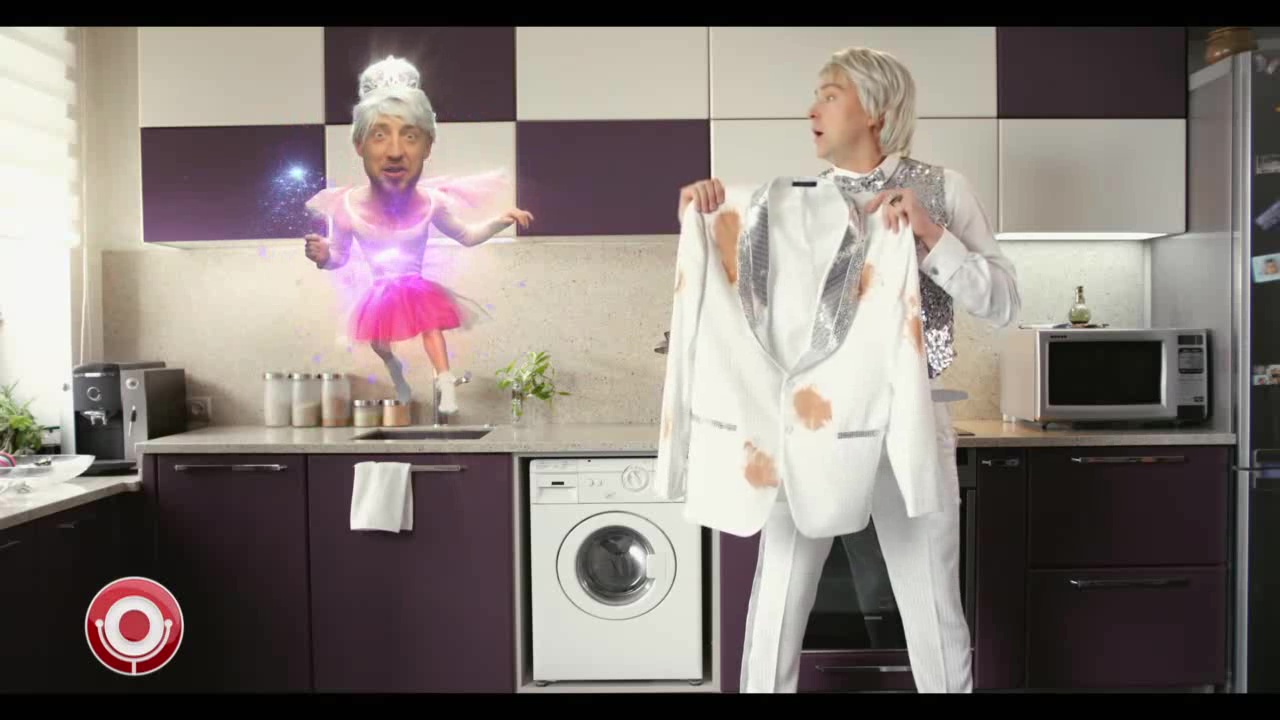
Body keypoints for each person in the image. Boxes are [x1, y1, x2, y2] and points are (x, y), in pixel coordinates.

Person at [676, 46, 1020, 693]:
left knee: (932, 604)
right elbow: (752, 307)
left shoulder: (943, 190)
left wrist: (930, 234)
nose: (812, 110)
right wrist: (707, 211)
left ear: (876, 110)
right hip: (812, 423)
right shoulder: (789, 204)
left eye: (829, 95)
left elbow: (1003, 302)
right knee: (779, 598)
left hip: (911, 420)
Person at [304, 56, 532, 414]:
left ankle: (445, 380)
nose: (395, 151)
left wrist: (500, 220)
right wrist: (324, 257)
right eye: (379, 135)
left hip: (414, 284)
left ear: (427, 146)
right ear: (360, 145)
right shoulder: (344, 206)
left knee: (431, 325)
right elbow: (340, 256)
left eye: (410, 136)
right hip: (380, 289)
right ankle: (394, 368)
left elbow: (467, 235)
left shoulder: (431, 202)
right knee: (379, 344)